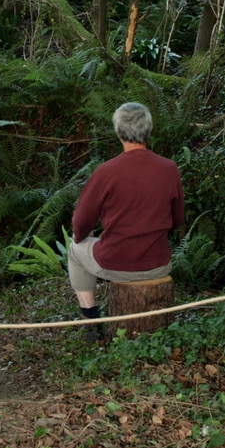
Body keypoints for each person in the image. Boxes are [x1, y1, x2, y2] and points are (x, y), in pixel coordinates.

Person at [69, 102, 184, 342]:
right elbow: (177, 220)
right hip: (158, 264)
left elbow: (81, 222)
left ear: (119, 131)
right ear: (148, 130)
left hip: (116, 264)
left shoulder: (107, 171)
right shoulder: (169, 168)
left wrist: (81, 238)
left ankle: (90, 319)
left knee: (75, 250)